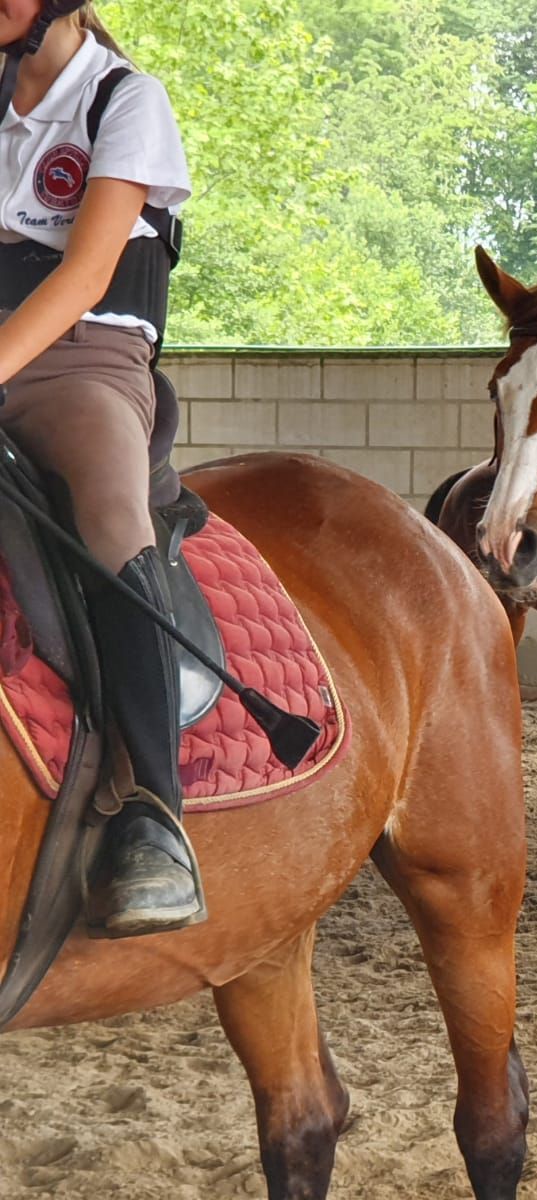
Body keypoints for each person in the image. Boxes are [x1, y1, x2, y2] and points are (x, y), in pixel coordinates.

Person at [0, 1, 198, 934]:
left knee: (112, 514)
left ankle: (156, 818)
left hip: (82, 365)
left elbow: (82, 276)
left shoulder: (124, 100)